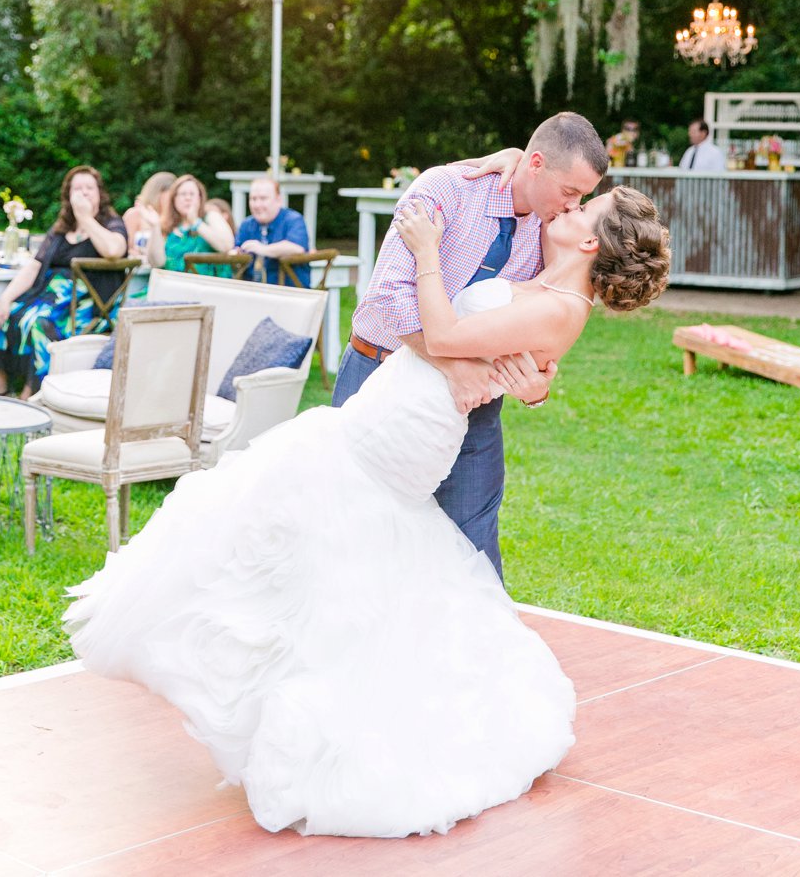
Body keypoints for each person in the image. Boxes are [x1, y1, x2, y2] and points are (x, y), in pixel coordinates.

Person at [65, 183, 670, 839]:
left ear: (589, 241)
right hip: (390, 408)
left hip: (408, 433)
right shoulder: (543, 273)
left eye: (586, 208)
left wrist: (427, 249)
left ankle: (322, 727)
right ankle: (277, 690)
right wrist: (519, 376)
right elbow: (487, 345)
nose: (572, 207)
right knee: (301, 544)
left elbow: (443, 331)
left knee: (318, 544)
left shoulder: (560, 307)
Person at [332, 111, 608, 578]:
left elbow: (555, 311)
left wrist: (537, 387)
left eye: (583, 197)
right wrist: (453, 367)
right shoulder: (445, 190)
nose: (573, 206)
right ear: (536, 163)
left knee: (473, 545)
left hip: (475, 407)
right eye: (569, 192)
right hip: (378, 375)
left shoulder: (552, 230)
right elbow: (387, 295)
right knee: (354, 528)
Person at [0, 166, 127, 398]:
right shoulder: (62, 228)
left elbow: (114, 250)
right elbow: (34, 266)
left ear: (100, 194)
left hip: (85, 305)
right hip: (48, 296)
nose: (83, 193)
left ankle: (33, 394)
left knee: (39, 323)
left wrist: (86, 218)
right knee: (9, 312)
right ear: (68, 196)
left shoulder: (111, 223)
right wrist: (5, 298)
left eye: (89, 188)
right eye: (77, 189)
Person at [141, 174, 234, 273]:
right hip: (171, 284)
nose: (188, 198)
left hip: (207, 284)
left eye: (192, 194)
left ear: (200, 198)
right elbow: (156, 263)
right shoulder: (167, 225)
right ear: (174, 199)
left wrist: (195, 222)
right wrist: (155, 227)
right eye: (183, 194)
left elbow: (226, 245)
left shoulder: (210, 217)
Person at [234, 176, 310, 287]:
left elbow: (297, 248)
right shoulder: (247, 224)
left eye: (263, 199)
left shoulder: (293, 219)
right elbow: (235, 250)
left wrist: (262, 249)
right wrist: (236, 253)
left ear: (278, 200)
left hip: (291, 295)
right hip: (252, 294)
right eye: (253, 199)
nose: (257, 205)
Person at [123, 171, 176, 255]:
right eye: (172, 194)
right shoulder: (135, 214)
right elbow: (124, 248)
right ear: (158, 193)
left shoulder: (174, 218)